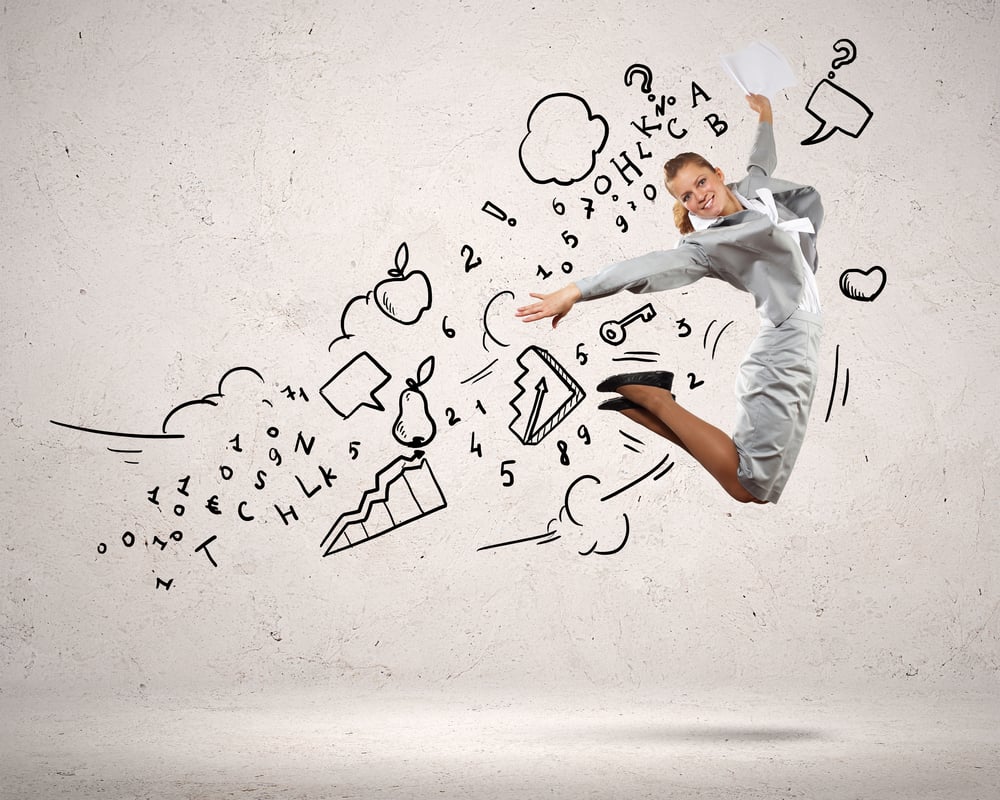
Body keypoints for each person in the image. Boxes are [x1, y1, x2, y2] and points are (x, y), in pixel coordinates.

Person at [515, 94, 823, 504]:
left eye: (701, 183)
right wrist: (576, 291)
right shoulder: (706, 245)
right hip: (786, 345)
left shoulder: (753, 192)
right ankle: (654, 399)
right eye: (687, 197)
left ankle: (646, 404)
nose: (699, 197)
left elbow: (762, 160)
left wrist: (766, 114)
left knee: (750, 485)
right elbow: (644, 266)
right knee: (751, 486)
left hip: (800, 341)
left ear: (717, 173)